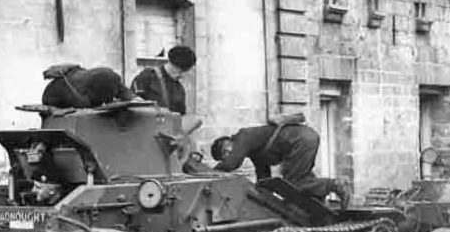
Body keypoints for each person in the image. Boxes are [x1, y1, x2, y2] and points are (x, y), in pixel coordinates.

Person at [210, 116, 351, 207]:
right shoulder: (255, 151)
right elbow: (264, 180)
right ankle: (319, 203)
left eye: (225, 150)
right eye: (223, 156)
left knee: (293, 184)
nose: (227, 154)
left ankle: (335, 185)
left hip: (299, 141)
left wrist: (210, 173)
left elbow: (232, 163)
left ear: (229, 140)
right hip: (304, 139)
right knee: (302, 179)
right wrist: (265, 201)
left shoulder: (243, 136)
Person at [129, 45, 196, 114]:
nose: (181, 76)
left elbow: (181, 114)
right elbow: (132, 103)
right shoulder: (147, 77)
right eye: (180, 71)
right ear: (171, 64)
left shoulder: (179, 89)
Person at [41, 64, 135, 108]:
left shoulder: (113, 80)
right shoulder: (70, 89)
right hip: (53, 97)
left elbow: (128, 95)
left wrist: (136, 99)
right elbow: (89, 106)